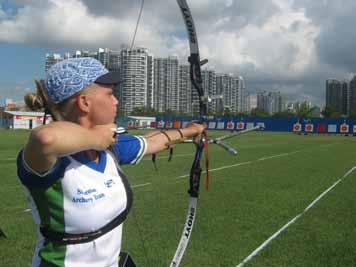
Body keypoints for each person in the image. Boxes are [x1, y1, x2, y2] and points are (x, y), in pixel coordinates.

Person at [16, 57, 205, 267]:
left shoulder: (111, 148)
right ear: (84, 102)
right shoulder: (48, 160)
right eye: (110, 94)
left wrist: (190, 131)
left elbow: (154, 142)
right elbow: (45, 139)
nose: (116, 101)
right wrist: (97, 138)